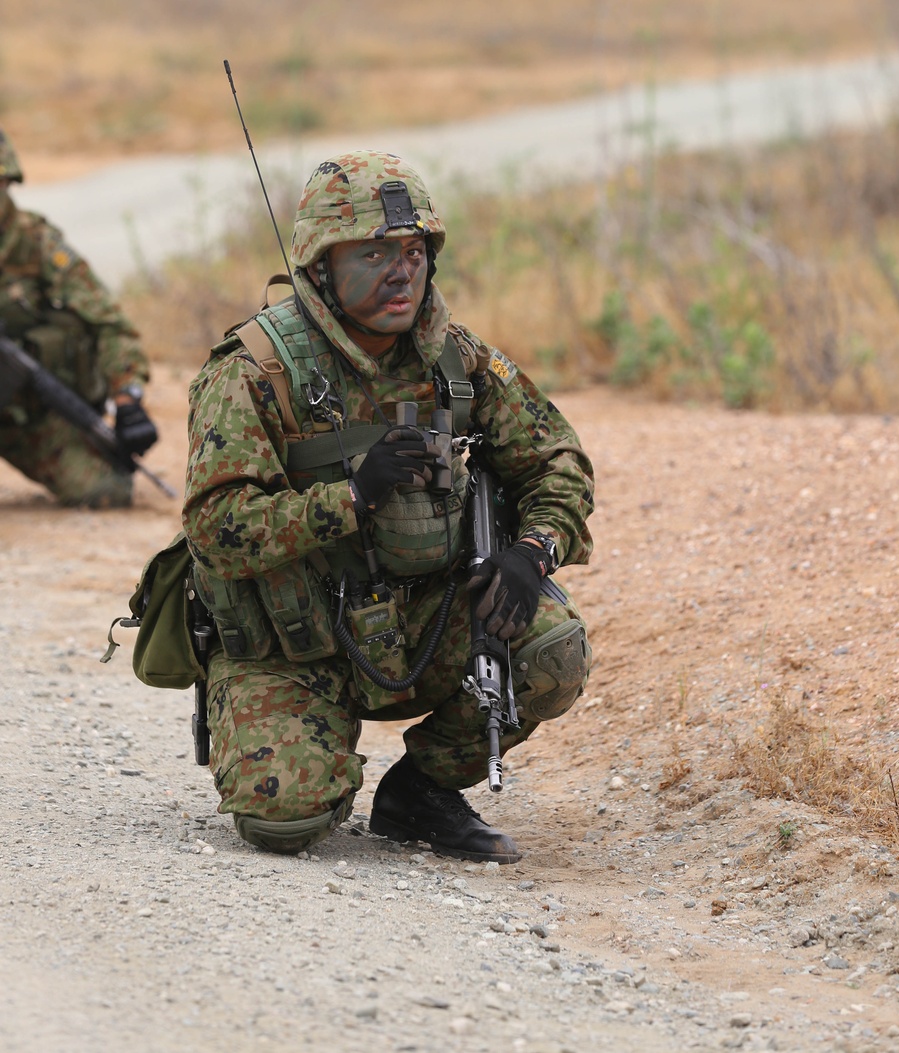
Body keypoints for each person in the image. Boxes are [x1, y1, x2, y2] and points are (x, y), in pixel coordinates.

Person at [182, 150, 595, 861]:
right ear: (320, 267)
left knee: (553, 648)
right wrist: (351, 497)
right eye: (374, 253)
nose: (401, 271)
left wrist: (535, 550)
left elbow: (558, 460)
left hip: (425, 621)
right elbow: (216, 529)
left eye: (413, 250)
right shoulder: (255, 370)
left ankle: (421, 791)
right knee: (286, 819)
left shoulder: (455, 359)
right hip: (296, 639)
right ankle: (316, 753)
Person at [0, 128, 158, 507]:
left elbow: (108, 322)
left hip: (27, 416)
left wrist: (127, 398)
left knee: (106, 491)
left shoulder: (37, 243)